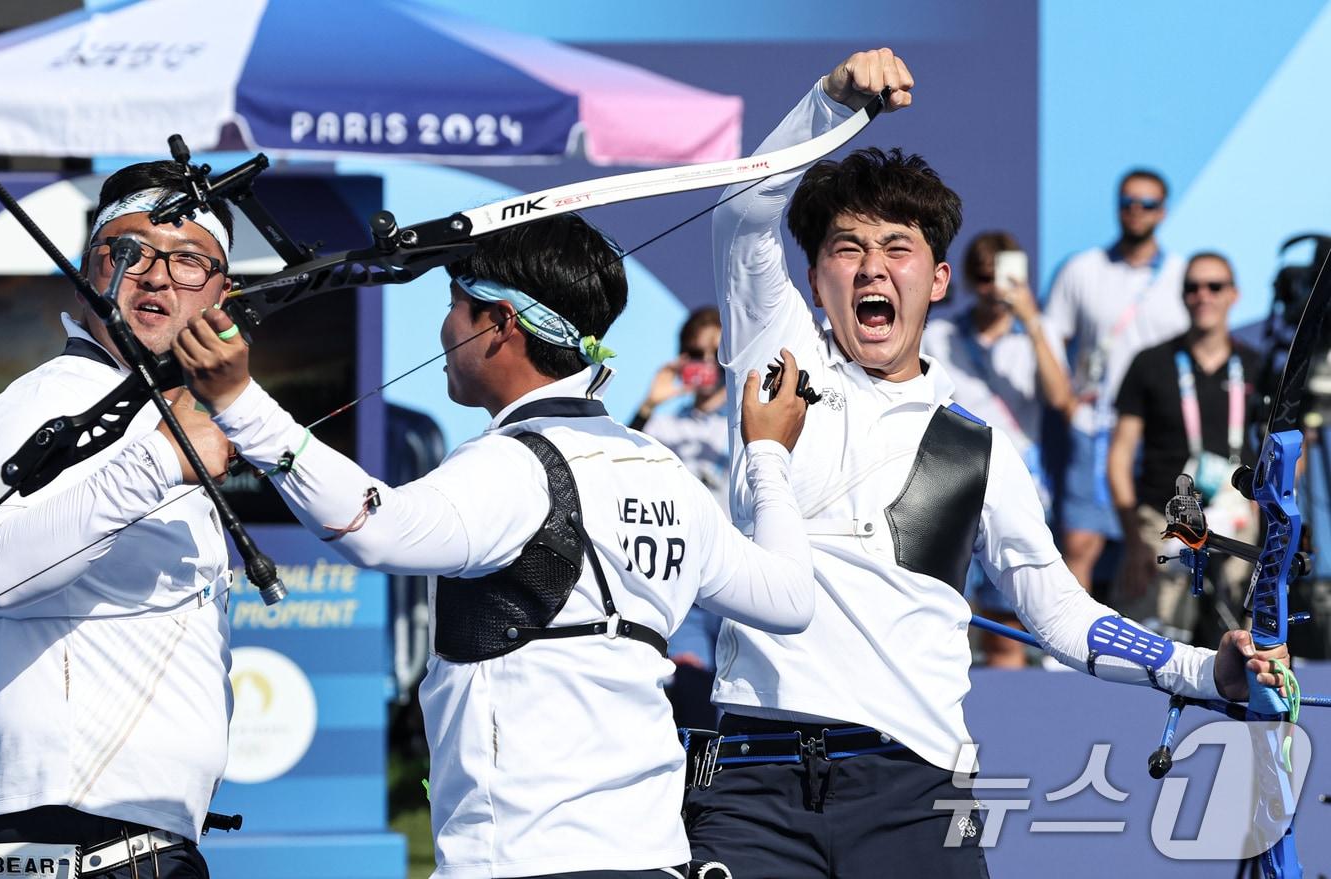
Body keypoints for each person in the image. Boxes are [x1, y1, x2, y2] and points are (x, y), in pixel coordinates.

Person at [688, 48, 1291, 879]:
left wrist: (1202, 669)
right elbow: (741, 211)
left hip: (916, 787)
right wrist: (829, 102)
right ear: (815, 276)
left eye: (896, 248)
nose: (870, 267)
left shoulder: (979, 442)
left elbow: (1057, 611)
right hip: (754, 780)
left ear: (937, 280)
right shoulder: (777, 350)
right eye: (846, 247)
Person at [173, 213, 819, 879]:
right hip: (652, 857)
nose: (446, 328)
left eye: (455, 305)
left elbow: (374, 527)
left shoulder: (511, 466)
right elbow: (791, 598)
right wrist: (768, 453)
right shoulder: (663, 471)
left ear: (501, 323)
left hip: (524, 859)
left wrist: (238, 401)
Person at [0, 162, 236, 878]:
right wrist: (159, 464)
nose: (157, 275)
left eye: (189, 258)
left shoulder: (157, 409)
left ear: (223, 291)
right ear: (88, 271)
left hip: (136, 841)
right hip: (71, 842)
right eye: (128, 251)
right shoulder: (46, 401)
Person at [922, 231, 1073, 667]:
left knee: (1005, 628)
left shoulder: (1035, 339)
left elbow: (1062, 400)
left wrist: (1033, 323)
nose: (993, 289)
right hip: (946, 484)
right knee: (941, 618)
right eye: (983, 277)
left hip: (1014, 484)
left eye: (1002, 277)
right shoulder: (941, 334)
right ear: (966, 280)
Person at [1045, 168, 1188, 591]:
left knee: (1157, 542)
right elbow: (1052, 334)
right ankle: (1068, 654)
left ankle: (1148, 649)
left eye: (1147, 204)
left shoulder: (1183, 276)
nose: (1135, 212)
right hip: (1097, 425)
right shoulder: (1082, 269)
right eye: (1127, 202)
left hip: (1157, 430)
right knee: (1080, 543)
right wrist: (1068, 401)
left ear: (1163, 211)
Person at [1109, 252, 1262, 644]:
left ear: (1234, 295)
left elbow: (1288, 456)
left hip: (1236, 522)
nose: (1203, 296)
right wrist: (1132, 540)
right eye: (1192, 287)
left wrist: (1262, 509)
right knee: (1149, 647)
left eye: (1214, 287)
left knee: (1239, 646)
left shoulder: (1257, 366)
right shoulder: (1151, 363)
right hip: (1161, 524)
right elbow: (1119, 457)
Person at [631, 307, 730, 726]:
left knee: (738, 708)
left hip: (740, 585)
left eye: (718, 353)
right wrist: (651, 402)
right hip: (684, 589)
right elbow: (620, 475)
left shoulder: (752, 421)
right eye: (695, 353)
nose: (706, 364)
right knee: (693, 705)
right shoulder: (663, 426)